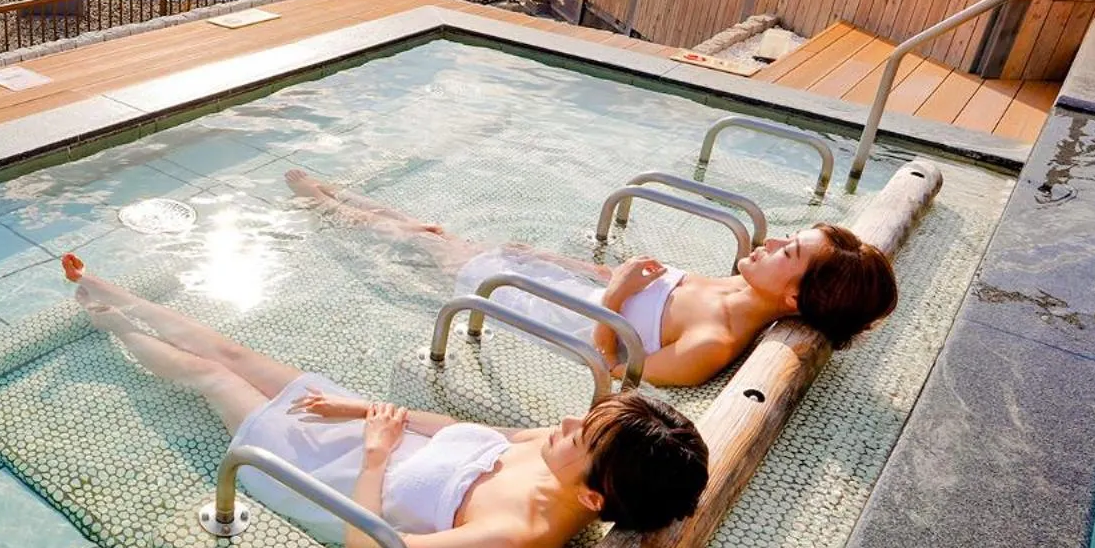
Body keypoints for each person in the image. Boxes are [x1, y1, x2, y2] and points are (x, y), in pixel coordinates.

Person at [63, 254, 707, 548]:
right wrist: (359, 410)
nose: (567, 421)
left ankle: (110, 324)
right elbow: (448, 430)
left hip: (332, 480)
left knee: (211, 375)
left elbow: (369, 545)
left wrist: (373, 451)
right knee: (234, 352)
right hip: (373, 429)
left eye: (581, 434)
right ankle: (107, 287)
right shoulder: (553, 454)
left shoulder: (515, 534)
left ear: (593, 497)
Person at [284, 169, 897, 387]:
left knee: (424, 243)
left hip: (542, 313)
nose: (770, 241)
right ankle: (336, 200)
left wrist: (613, 297)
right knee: (436, 235)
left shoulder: (713, 343)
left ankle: (332, 209)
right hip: (556, 285)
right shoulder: (734, 289)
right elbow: (628, 277)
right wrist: (556, 261)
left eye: (788, 250)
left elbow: (608, 371)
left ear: (791, 296)